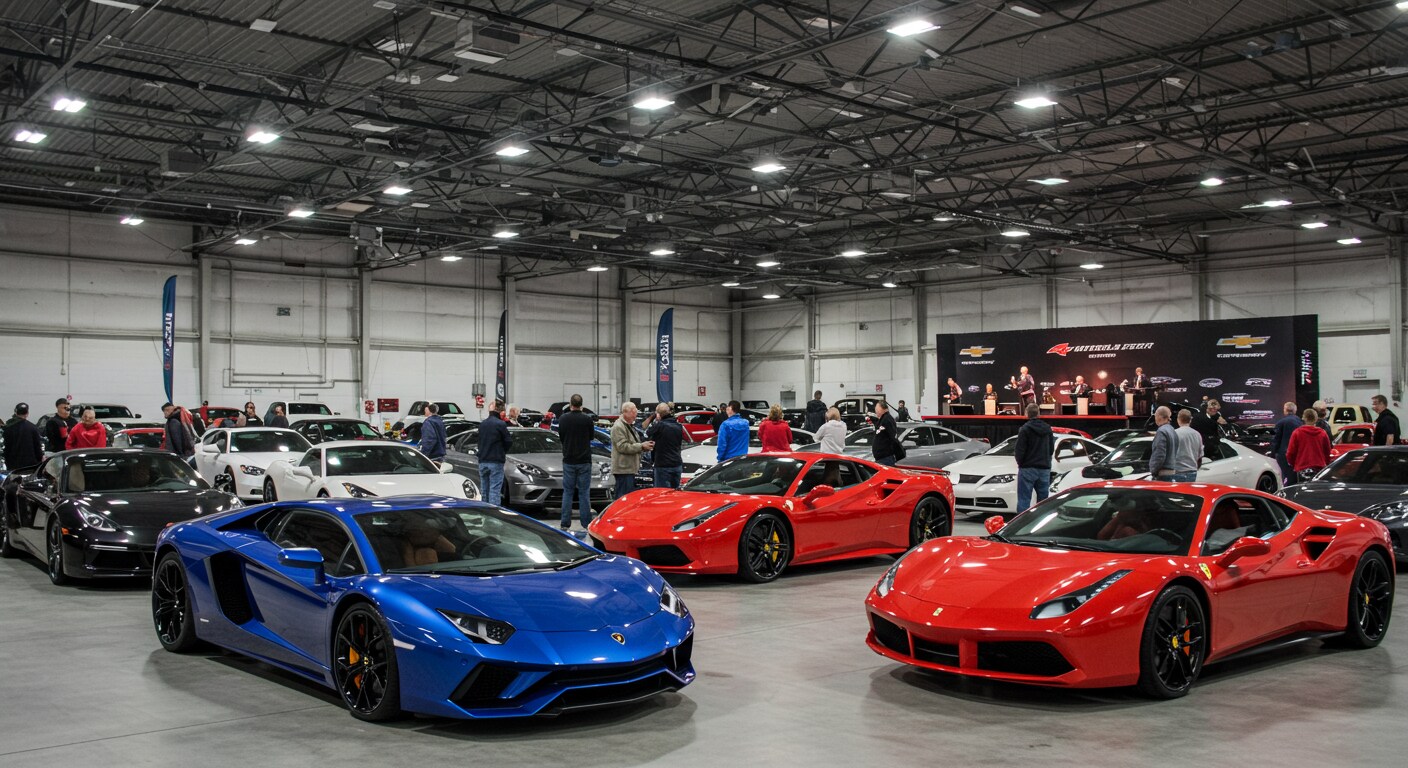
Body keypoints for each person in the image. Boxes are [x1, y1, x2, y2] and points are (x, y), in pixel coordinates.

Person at [557, 394, 596, 530]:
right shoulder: (587, 419)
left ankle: (565, 523)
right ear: (581, 405)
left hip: (569, 460)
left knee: (567, 492)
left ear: (570, 404)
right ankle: (586, 523)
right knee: (584, 493)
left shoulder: (563, 418)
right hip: (584, 460)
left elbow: (561, 437)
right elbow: (591, 437)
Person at [610, 402, 654, 502]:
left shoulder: (627, 425)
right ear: (626, 412)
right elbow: (622, 447)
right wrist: (641, 446)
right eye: (634, 412)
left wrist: (643, 446)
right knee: (623, 499)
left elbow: (632, 442)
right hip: (623, 469)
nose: (636, 415)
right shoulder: (619, 427)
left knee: (627, 498)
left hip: (628, 468)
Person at [1014, 403, 1054, 511]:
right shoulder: (1048, 429)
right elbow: (1051, 449)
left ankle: (1022, 521)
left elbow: (1019, 450)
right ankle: (1041, 520)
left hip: (1027, 468)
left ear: (1027, 413)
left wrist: (1021, 464)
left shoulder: (1024, 429)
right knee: (1043, 502)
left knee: (1024, 500)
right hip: (1044, 469)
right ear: (1038, 413)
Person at [476, 401, 513, 506]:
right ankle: (494, 513)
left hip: (482, 460)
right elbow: (508, 441)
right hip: (495, 460)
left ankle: (484, 511)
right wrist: (502, 451)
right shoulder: (500, 424)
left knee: (484, 490)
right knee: (494, 490)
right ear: (500, 411)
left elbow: (479, 441)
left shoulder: (482, 424)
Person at [647, 403, 684, 489]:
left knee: (662, 492)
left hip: (663, 465)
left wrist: (654, 420)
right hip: (677, 463)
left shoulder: (660, 426)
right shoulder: (678, 426)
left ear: (658, 414)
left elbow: (647, 433)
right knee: (675, 492)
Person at [1287, 408, 1331, 481]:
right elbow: (1327, 451)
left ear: (1303, 418)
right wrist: (1325, 463)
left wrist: (1294, 464)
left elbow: (1290, 452)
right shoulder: (1322, 433)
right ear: (1316, 419)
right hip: (1319, 468)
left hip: (1302, 468)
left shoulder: (1297, 433)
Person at [3, 403, 43, 472]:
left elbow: (6, 448)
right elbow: (37, 448)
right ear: (27, 413)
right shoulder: (32, 427)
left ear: (16, 412)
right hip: (30, 466)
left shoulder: (8, 427)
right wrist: (39, 461)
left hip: (13, 466)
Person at [1270, 401, 1303, 483]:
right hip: (1298, 454)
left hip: (1283, 455)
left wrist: (1272, 454)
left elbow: (1275, 440)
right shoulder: (1301, 422)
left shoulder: (1280, 423)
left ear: (1285, 410)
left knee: (1284, 477)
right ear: (1295, 410)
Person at [1147, 406, 1179, 481]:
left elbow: (1159, 454)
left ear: (1159, 416)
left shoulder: (1161, 431)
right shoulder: (1172, 430)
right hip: (1172, 471)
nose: (1155, 418)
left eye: (1155, 416)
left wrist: (1153, 470)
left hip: (1163, 473)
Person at [1172, 409, 1202, 482]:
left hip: (1177, 472)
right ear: (1190, 420)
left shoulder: (1174, 433)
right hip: (1193, 472)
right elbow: (1200, 457)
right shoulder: (1197, 434)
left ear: (1178, 419)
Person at [872, 401, 902, 466]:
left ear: (883, 409)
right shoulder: (882, 419)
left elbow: (893, 437)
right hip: (881, 458)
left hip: (886, 457)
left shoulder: (888, 419)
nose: (876, 411)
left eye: (877, 408)